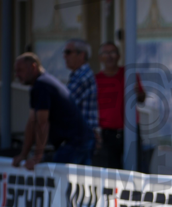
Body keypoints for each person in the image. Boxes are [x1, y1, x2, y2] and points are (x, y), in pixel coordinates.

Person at [11, 53, 90, 169]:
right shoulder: (38, 85)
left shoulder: (42, 85)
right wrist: (24, 154)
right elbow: (32, 122)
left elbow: (42, 123)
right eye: (15, 71)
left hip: (75, 143)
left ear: (33, 67)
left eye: (20, 70)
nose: (17, 75)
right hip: (77, 142)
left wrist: (37, 157)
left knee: (60, 181)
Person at [95, 41, 146, 170]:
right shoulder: (95, 79)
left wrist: (137, 92)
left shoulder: (129, 74)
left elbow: (142, 98)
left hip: (130, 131)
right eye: (105, 53)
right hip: (106, 134)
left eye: (112, 52)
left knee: (136, 169)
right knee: (111, 173)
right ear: (100, 57)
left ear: (119, 56)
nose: (109, 56)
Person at [64, 39, 97, 164]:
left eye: (68, 52)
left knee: (69, 178)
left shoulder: (82, 76)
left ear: (81, 55)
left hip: (80, 138)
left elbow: (63, 106)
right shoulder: (78, 75)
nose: (64, 56)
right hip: (82, 137)